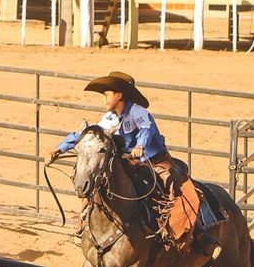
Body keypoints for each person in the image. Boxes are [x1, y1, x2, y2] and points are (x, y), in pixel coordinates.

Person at [46, 70, 218, 256]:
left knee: (178, 190)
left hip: (155, 161)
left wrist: (141, 145)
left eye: (107, 94)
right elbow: (90, 135)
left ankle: (201, 235)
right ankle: (87, 223)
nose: (104, 99)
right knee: (100, 185)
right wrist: (59, 148)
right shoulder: (110, 118)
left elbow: (147, 128)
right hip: (131, 162)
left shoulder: (138, 111)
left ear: (119, 94)